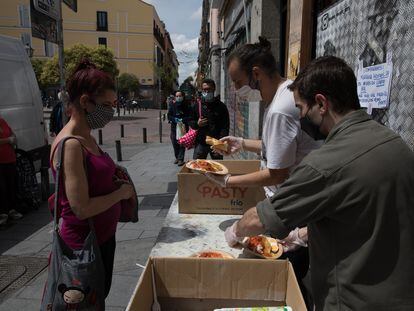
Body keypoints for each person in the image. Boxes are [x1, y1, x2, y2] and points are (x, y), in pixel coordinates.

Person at [224, 56, 414, 310]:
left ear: (322, 104)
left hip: (352, 300)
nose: (300, 117)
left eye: (302, 108)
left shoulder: (324, 164)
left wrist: (234, 231)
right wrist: (301, 236)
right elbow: (363, 213)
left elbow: (258, 220)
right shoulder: (396, 144)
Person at [206, 37, 319, 305]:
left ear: (255, 74)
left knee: (286, 286)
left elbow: (277, 173)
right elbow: (280, 149)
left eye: (236, 81)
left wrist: (228, 181)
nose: (234, 89)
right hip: (295, 205)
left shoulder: (280, 109)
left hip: (291, 211)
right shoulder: (285, 93)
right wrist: (243, 143)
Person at [49, 59, 135, 298]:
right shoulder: (71, 145)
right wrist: (120, 194)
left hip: (101, 239)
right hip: (82, 248)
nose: (111, 111)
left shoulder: (86, 136)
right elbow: (81, 208)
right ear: (86, 102)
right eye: (107, 105)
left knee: (98, 300)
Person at [189, 78, 229, 160]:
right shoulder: (197, 105)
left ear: (214, 89)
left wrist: (220, 144)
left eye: (208, 89)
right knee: (198, 166)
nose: (206, 92)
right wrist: (197, 124)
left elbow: (225, 126)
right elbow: (190, 121)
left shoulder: (221, 106)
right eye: (204, 90)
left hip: (216, 142)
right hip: (201, 142)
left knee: (218, 168)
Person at [0, 116, 23, 225]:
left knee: (11, 186)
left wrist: (13, 138)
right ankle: (3, 213)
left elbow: (12, 133)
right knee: (2, 188)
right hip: (1, 161)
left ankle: (12, 210)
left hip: (10, 158)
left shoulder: (2, 121)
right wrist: (8, 140)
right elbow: (8, 138)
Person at [168, 91, 191, 166]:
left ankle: (181, 159)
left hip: (183, 127)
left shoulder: (187, 105)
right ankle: (177, 157)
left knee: (182, 143)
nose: (178, 97)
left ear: (183, 97)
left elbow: (190, 116)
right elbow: (169, 116)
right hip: (174, 127)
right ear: (175, 97)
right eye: (177, 96)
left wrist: (183, 120)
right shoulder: (172, 105)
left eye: (180, 96)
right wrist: (175, 119)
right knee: (175, 142)